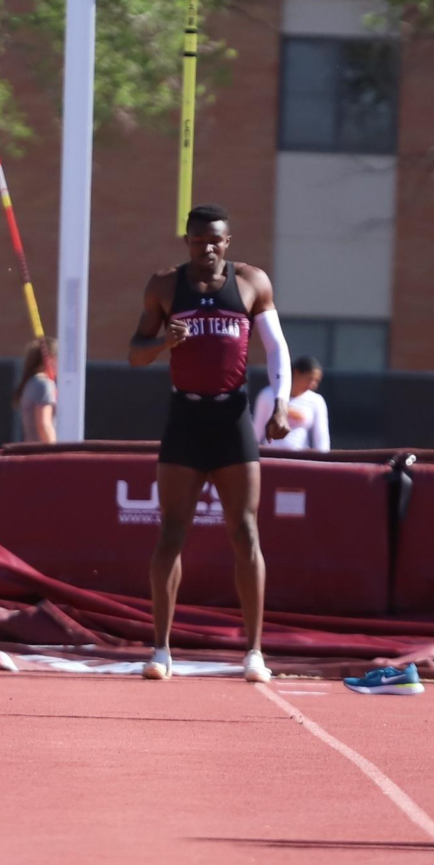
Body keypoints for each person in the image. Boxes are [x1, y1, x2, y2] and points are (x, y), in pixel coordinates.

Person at [128, 203, 291, 683]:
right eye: (199, 241)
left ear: (228, 240)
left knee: (245, 531)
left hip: (232, 416)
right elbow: (136, 353)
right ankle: (160, 650)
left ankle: (254, 652)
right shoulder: (164, 286)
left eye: (216, 240)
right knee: (172, 532)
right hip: (185, 416)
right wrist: (164, 344)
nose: (208, 248)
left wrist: (280, 404)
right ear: (187, 242)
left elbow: (277, 347)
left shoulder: (250, 283)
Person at [253, 355, 330, 452]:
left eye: (316, 381)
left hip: (299, 459)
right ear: (297, 373)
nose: (313, 384)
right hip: (271, 456)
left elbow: (321, 436)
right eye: (310, 379)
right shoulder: (267, 395)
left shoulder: (316, 401)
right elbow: (258, 429)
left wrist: (323, 460)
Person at [13, 337, 57, 444]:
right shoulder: (44, 384)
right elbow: (43, 424)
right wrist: (56, 452)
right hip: (42, 453)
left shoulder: (33, 382)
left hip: (32, 450)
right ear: (50, 359)